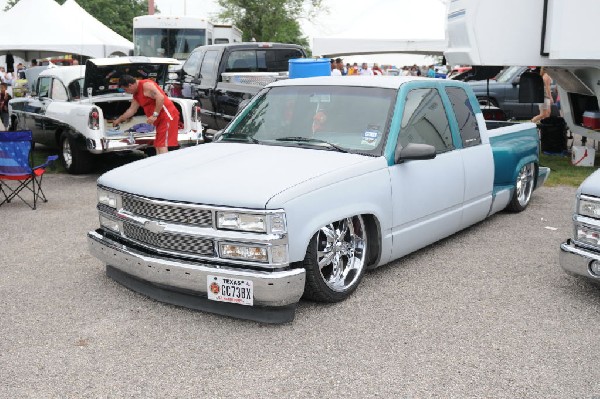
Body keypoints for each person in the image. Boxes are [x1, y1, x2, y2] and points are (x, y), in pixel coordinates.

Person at [113, 75, 180, 154]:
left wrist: (154, 115)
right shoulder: (136, 94)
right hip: (159, 119)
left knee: (162, 144)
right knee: (158, 144)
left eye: (125, 89)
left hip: (167, 116)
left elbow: (160, 97)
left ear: (130, 85)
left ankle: (164, 164)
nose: (125, 92)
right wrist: (119, 119)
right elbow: (132, 110)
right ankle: (160, 163)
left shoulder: (146, 85)